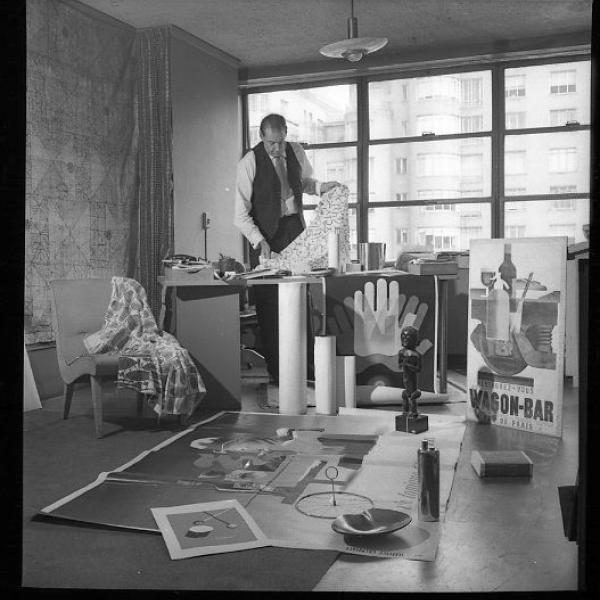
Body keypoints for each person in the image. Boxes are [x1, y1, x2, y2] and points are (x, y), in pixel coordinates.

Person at [234, 113, 339, 383]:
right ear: (261, 137)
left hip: (294, 229)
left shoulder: (295, 151)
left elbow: (304, 182)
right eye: (271, 144)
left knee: (300, 299)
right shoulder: (249, 163)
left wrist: (321, 187)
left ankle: (306, 367)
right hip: (266, 237)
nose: (277, 149)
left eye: (281, 142)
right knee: (270, 306)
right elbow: (240, 215)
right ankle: (278, 373)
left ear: (285, 136)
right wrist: (260, 241)